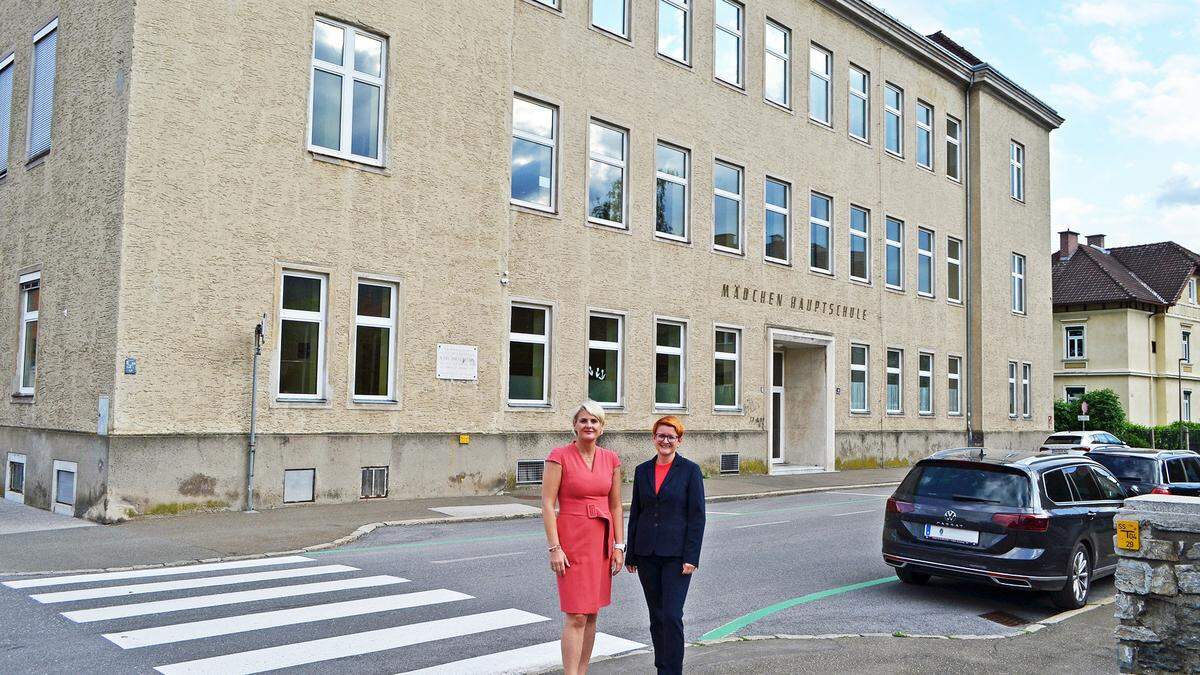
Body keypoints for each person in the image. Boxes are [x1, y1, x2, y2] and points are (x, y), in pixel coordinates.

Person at [541, 400, 625, 675]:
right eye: (584, 421)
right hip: (572, 540)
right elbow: (547, 503)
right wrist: (555, 547)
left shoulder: (611, 459)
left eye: (594, 421)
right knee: (576, 614)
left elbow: (615, 506)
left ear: (601, 428)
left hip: (601, 540)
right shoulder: (559, 456)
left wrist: (618, 545)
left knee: (591, 612)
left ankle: (583, 670)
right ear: (574, 426)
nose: (589, 425)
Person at [625, 415, 705, 675]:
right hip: (647, 554)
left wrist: (691, 556)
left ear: (679, 440)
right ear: (654, 438)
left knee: (671, 615)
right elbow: (636, 512)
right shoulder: (642, 471)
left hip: (677, 556)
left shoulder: (690, 471)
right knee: (656, 617)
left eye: (671, 436)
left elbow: (697, 516)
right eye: (661, 435)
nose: (665, 441)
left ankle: (672, 671)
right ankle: (662, 668)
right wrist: (631, 554)